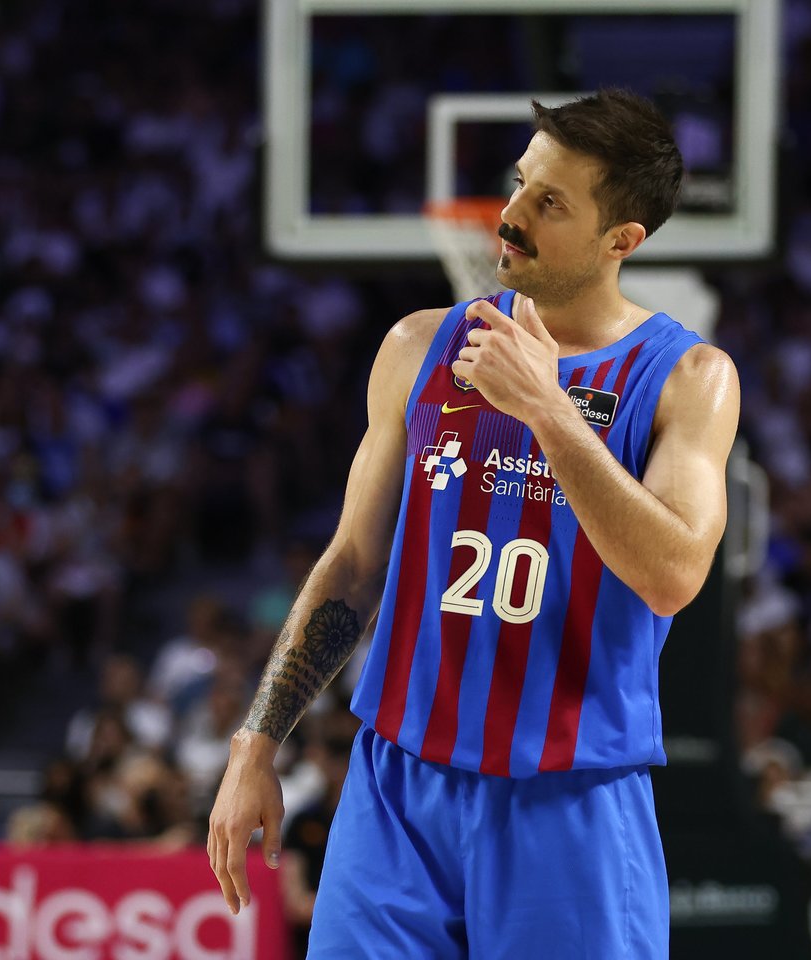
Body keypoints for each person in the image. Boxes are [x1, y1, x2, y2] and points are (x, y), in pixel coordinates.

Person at [208, 90, 739, 958]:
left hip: (567, 799)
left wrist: (550, 411)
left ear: (622, 240)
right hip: (397, 789)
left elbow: (674, 574)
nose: (512, 213)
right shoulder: (419, 346)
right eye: (520, 182)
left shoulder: (687, 377)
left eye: (551, 202)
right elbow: (352, 565)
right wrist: (255, 743)